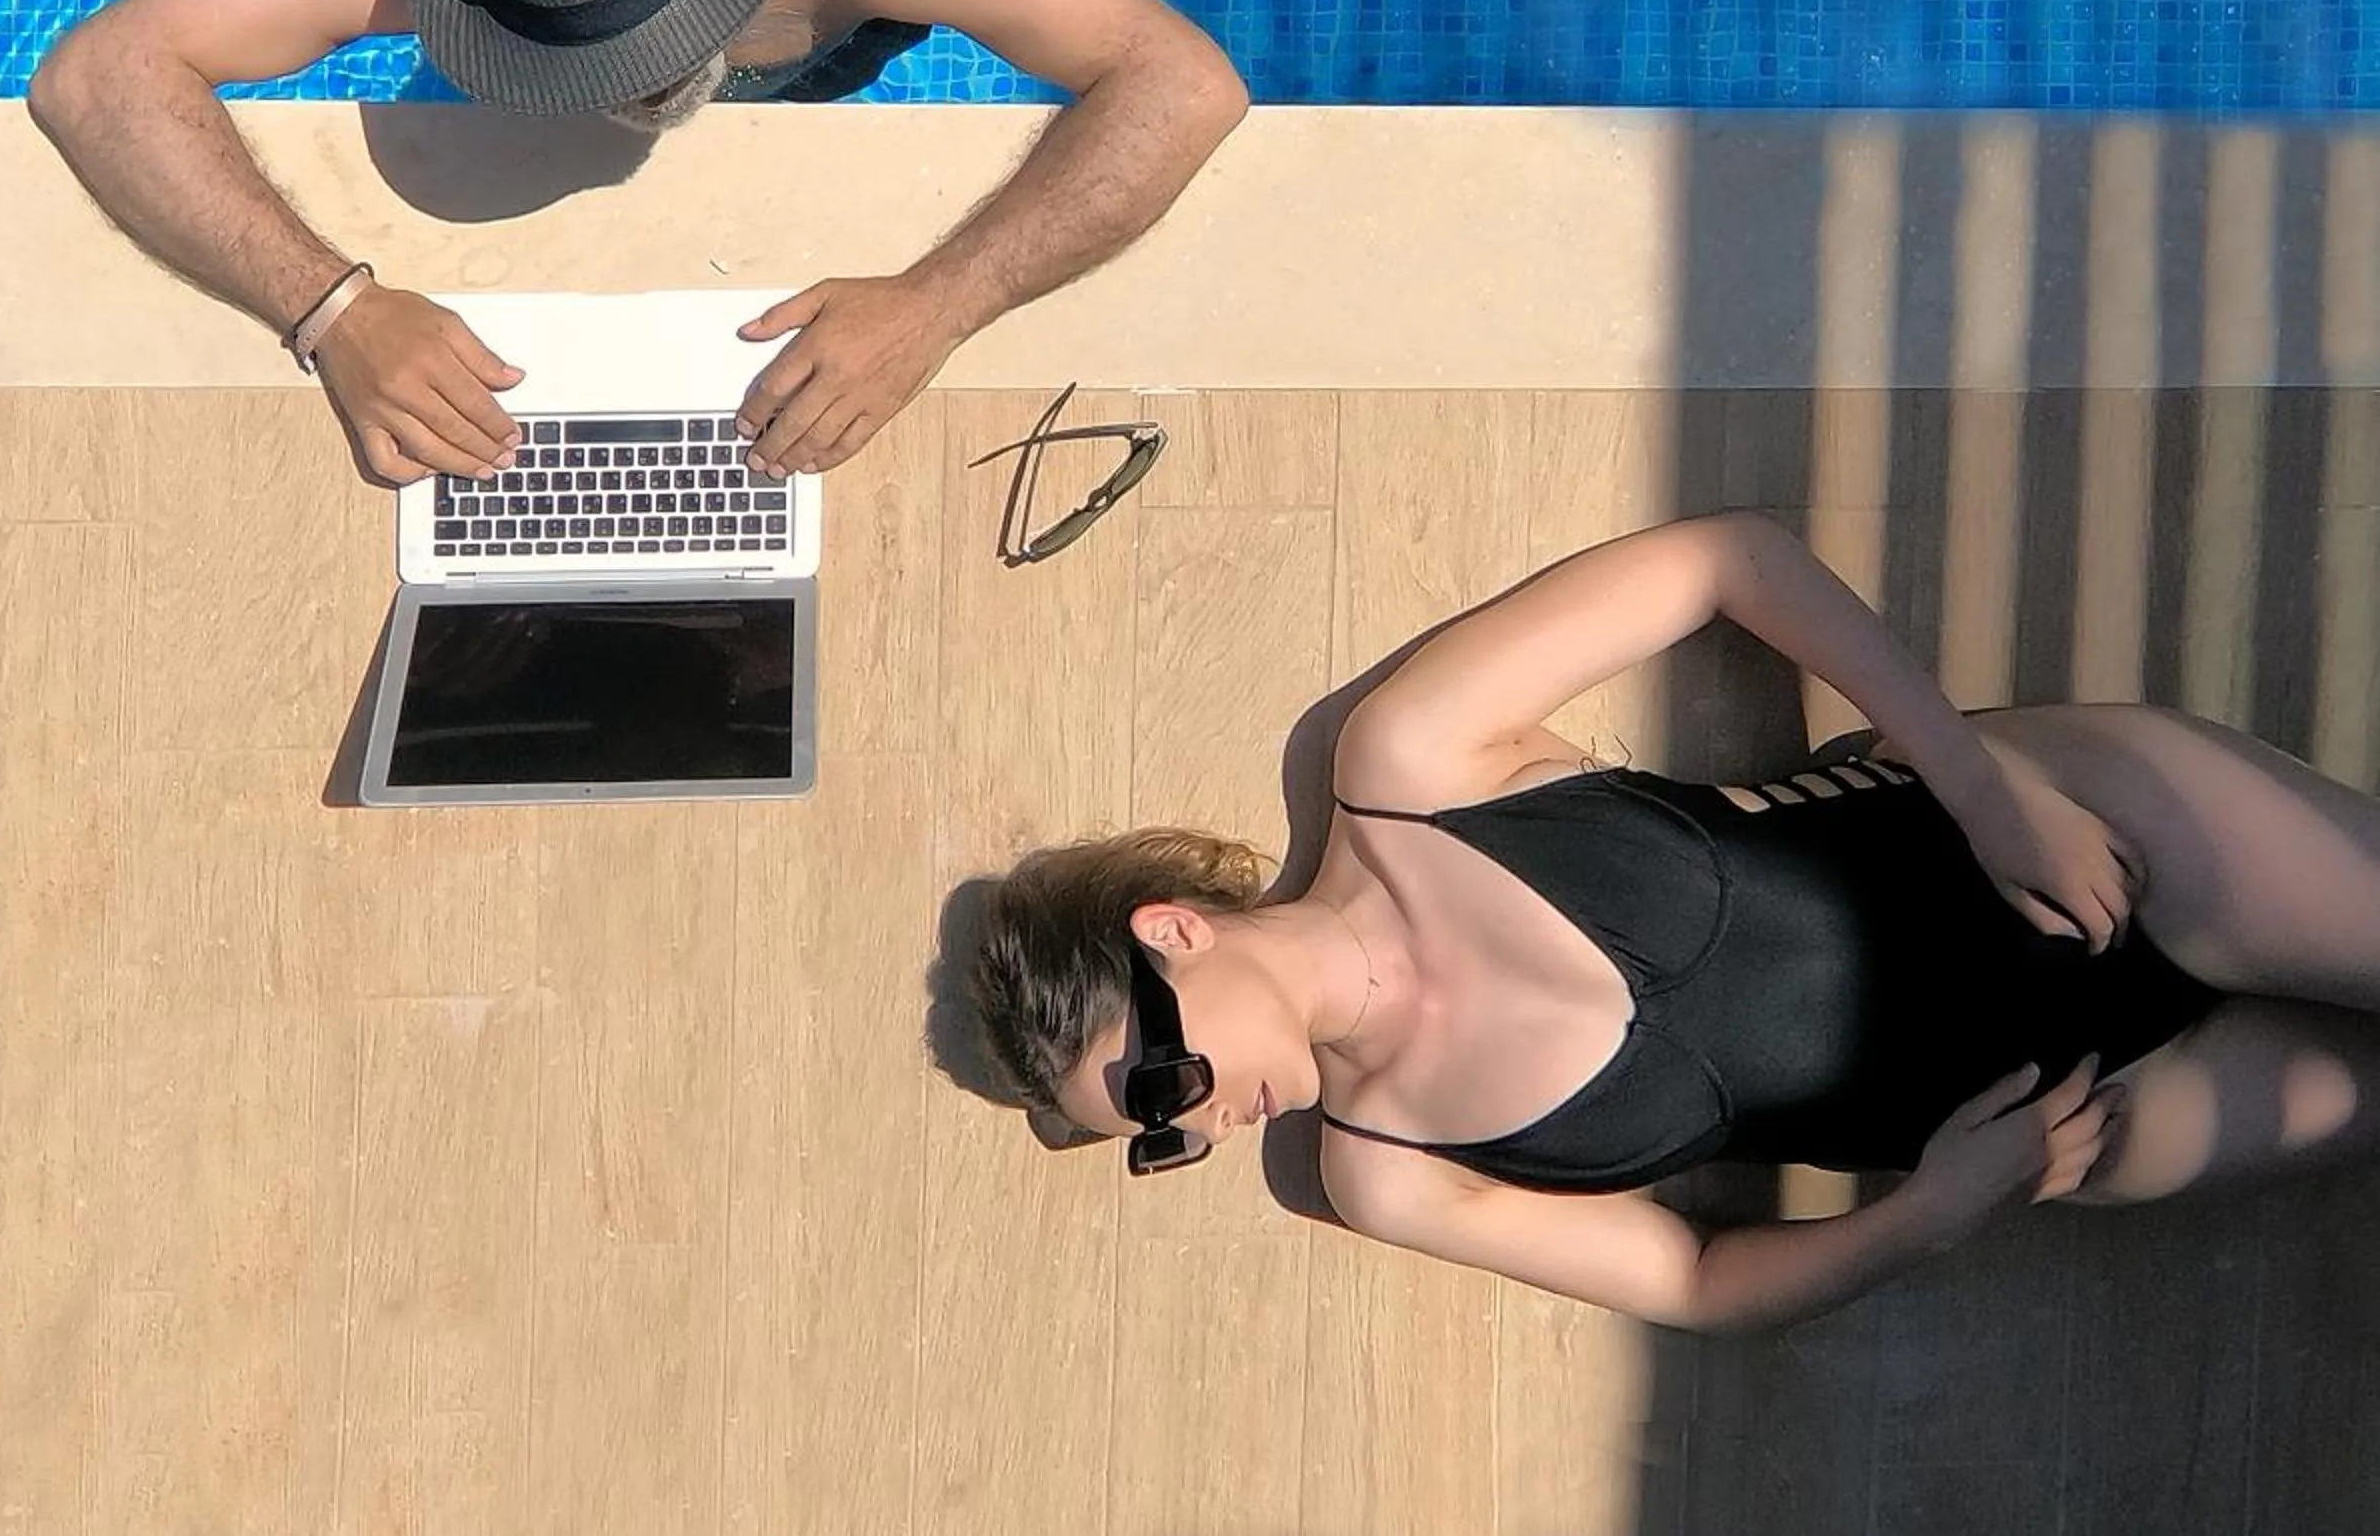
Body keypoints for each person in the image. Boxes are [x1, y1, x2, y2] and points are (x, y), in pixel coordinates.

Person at [954, 510, 2380, 1333]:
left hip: (2072, 826)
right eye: (1159, 1136)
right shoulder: (1388, 1171)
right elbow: (1697, 1280)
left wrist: (1981, 782)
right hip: (2078, 1108)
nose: (1195, 1125)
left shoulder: (1405, 770)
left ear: (1173, 931)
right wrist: (1932, 1214)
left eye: (1157, 1080)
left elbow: (1726, 560)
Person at [25, 0, 1247, 486]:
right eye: (592, 56)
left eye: (666, 32)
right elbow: (103, 74)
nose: (643, 89)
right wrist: (330, 310)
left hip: (825, 30)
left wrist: (941, 303)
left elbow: (1179, 80)